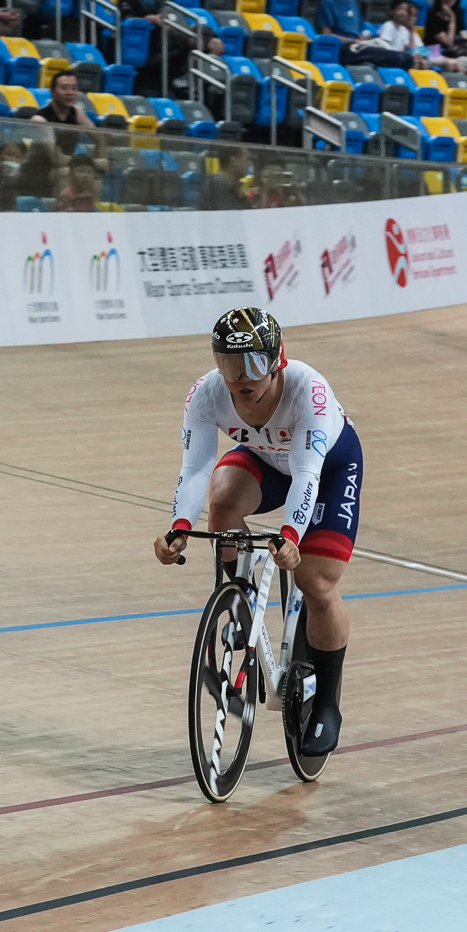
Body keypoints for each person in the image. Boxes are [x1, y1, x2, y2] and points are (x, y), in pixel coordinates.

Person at [155, 308, 359, 758]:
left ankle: (327, 704)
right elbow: (195, 469)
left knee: (317, 581)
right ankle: (242, 604)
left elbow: (307, 475)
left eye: (251, 365)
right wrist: (179, 526)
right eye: (229, 365)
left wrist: (290, 534)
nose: (240, 378)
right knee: (222, 499)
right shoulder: (207, 394)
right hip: (267, 460)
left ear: (276, 359)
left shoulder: (309, 391)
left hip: (326, 469)